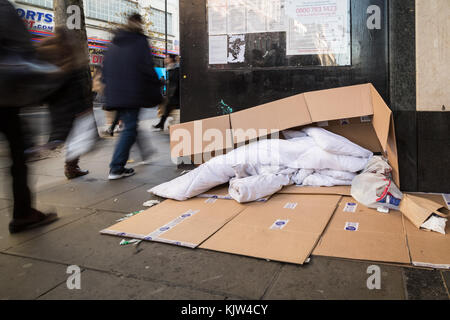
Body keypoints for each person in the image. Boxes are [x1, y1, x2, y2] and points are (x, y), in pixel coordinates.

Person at [0, 0, 58, 233]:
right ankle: (23, 213)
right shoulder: (4, 8)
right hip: (5, 96)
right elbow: (22, 49)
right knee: (19, 152)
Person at [102, 13, 162, 180]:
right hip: (132, 92)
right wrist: (156, 86)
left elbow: (105, 68)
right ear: (139, 23)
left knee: (130, 125)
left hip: (115, 92)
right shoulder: (139, 41)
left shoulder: (114, 42)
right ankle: (116, 167)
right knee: (129, 127)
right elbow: (147, 67)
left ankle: (146, 153)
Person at [36, 26, 92, 179]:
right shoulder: (70, 56)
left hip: (56, 104)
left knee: (63, 133)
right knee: (75, 136)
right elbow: (76, 86)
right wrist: (84, 106)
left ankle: (69, 164)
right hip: (72, 103)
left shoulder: (50, 55)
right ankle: (71, 167)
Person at [153, 54, 180, 130]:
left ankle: (170, 125)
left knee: (168, 109)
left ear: (171, 59)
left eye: (167, 57)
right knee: (166, 110)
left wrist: (171, 94)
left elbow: (175, 83)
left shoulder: (175, 69)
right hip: (172, 95)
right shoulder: (170, 68)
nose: (165, 59)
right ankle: (161, 124)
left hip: (175, 95)